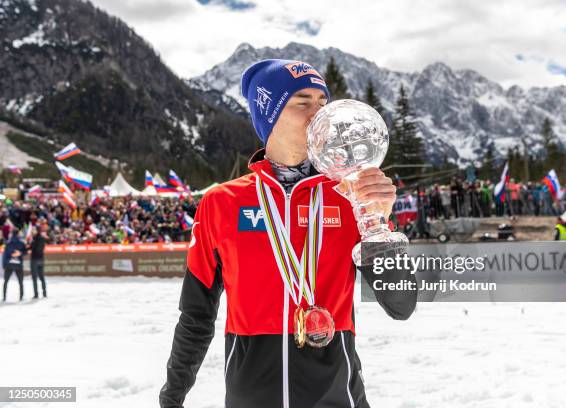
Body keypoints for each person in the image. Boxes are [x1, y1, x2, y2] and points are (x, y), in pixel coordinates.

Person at [159, 59, 417, 408]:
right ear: (270, 113)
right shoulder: (222, 203)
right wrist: (171, 398)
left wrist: (377, 225)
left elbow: (401, 305)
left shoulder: (349, 195)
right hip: (251, 398)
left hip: (337, 398)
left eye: (322, 102)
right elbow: (196, 315)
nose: (320, 113)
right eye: (302, 102)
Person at [3, 229, 27, 302]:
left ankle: (4, 297)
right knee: (20, 282)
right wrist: (20, 253)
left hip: (9, 265)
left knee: (6, 282)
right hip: (18, 265)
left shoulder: (8, 243)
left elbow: (5, 255)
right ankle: (21, 297)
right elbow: (25, 252)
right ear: (18, 234)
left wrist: (4, 265)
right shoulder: (21, 243)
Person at [29, 226, 47, 298]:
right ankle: (44, 293)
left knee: (34, 278)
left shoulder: (35, 238)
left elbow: (32, 247)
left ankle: (36, 294)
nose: (32, 231)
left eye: (33, 230)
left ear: (36, 231)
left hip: (35, 260)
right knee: (42, 277)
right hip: (41, 259)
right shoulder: (43, 238)